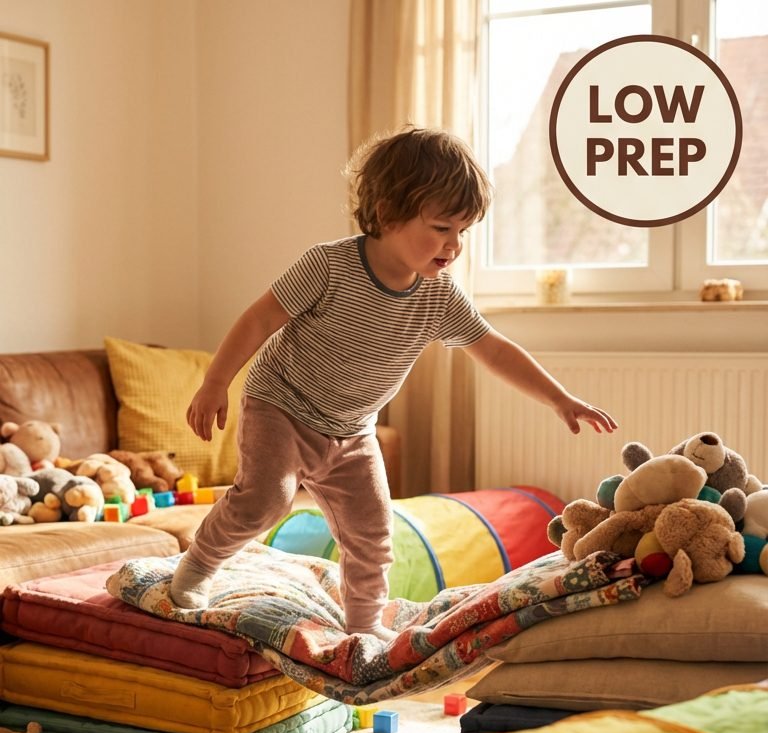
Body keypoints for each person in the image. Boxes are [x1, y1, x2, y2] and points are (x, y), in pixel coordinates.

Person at [170, 127, 617, 636]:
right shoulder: (330, 265)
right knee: (264, 502)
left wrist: (558, 398)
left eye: (463, 233)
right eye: (442, 228)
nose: (453, 245)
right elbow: (259, 318)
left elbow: (492, 348)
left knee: (372, 529)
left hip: (353, 429)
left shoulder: (438, 296)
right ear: (387, 213)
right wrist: (215, 382)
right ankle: (199, 565)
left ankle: (363, 624)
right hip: (282, 405)